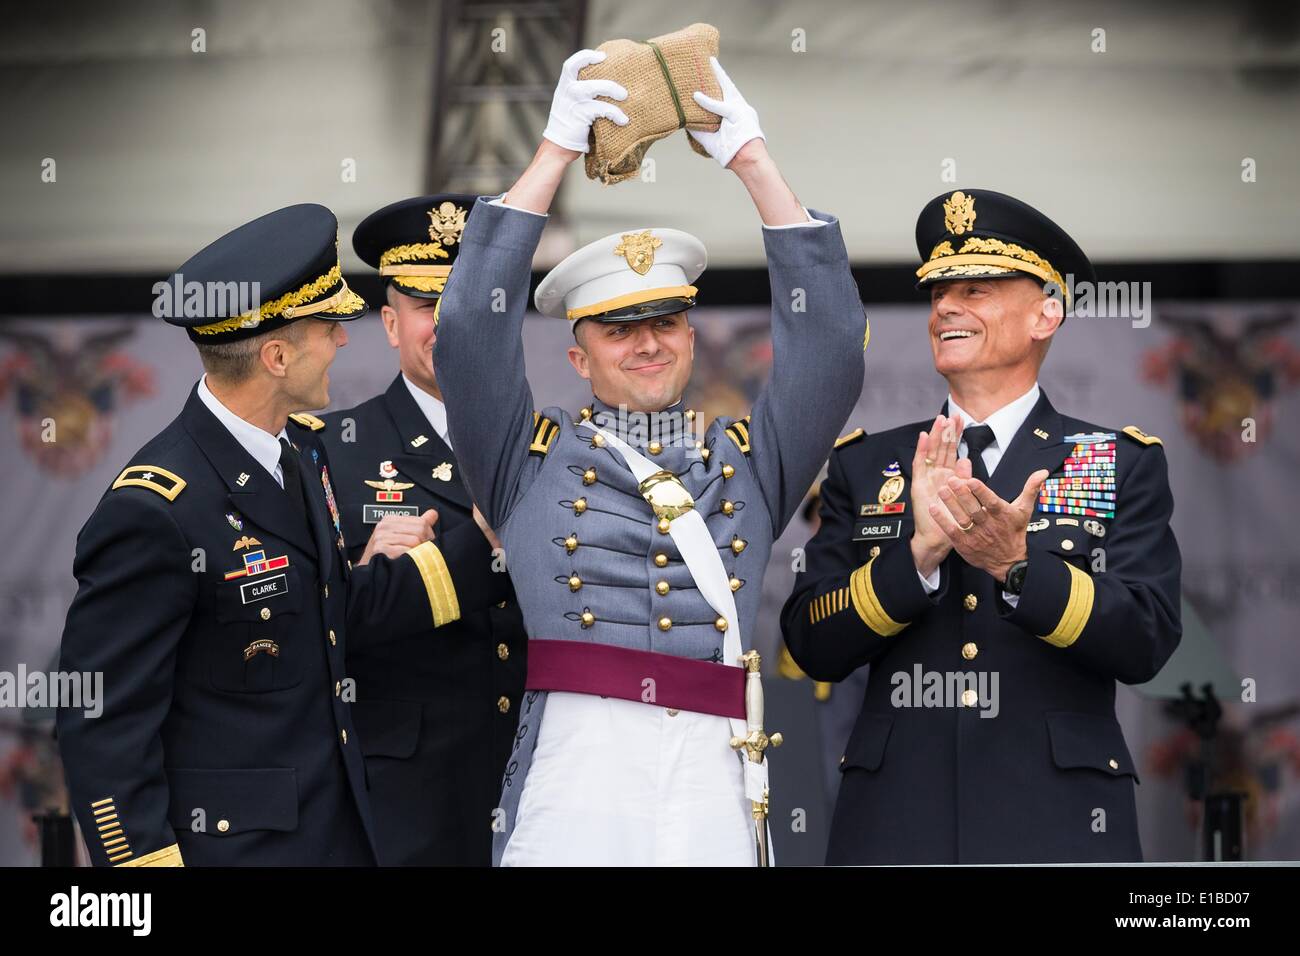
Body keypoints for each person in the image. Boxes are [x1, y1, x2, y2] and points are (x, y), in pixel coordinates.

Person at [433, 49, 867, 865]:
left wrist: (754, 161)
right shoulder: (528, 459)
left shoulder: (746, 460)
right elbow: (465, 334)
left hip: (715, 762)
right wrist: (553, 152)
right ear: (578, 356)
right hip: (580, 763)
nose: (647, 344)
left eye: (665, 322)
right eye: (619, 329)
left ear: (691, 335)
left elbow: (833, 350)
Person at [56, 204, 509, 866]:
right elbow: (102, 722)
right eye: (328, 327)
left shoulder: (297, 457)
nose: (343, 341)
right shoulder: (158, 507)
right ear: (274, 355)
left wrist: (478, 540)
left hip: (331, 838)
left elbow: (334, 614)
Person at [781, 189, 1182, 863]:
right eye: (939, 292)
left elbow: (1145, 640)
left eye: (978, 289)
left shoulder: (1109, 461)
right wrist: (916, 560)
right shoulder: (869, 462)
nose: (946, 308)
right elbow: (810, 644)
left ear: (1046, 315)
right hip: (897, 822)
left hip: (1057, 820)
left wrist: (1019, 567)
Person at [319, 194, 527, 865]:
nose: (451, 325)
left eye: (469, 303)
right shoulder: (327, 449)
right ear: (389, 322)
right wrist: (364, 573)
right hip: (407, 803)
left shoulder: (553, 446)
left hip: (540, 782)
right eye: (429, 306)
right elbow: (313, 624)